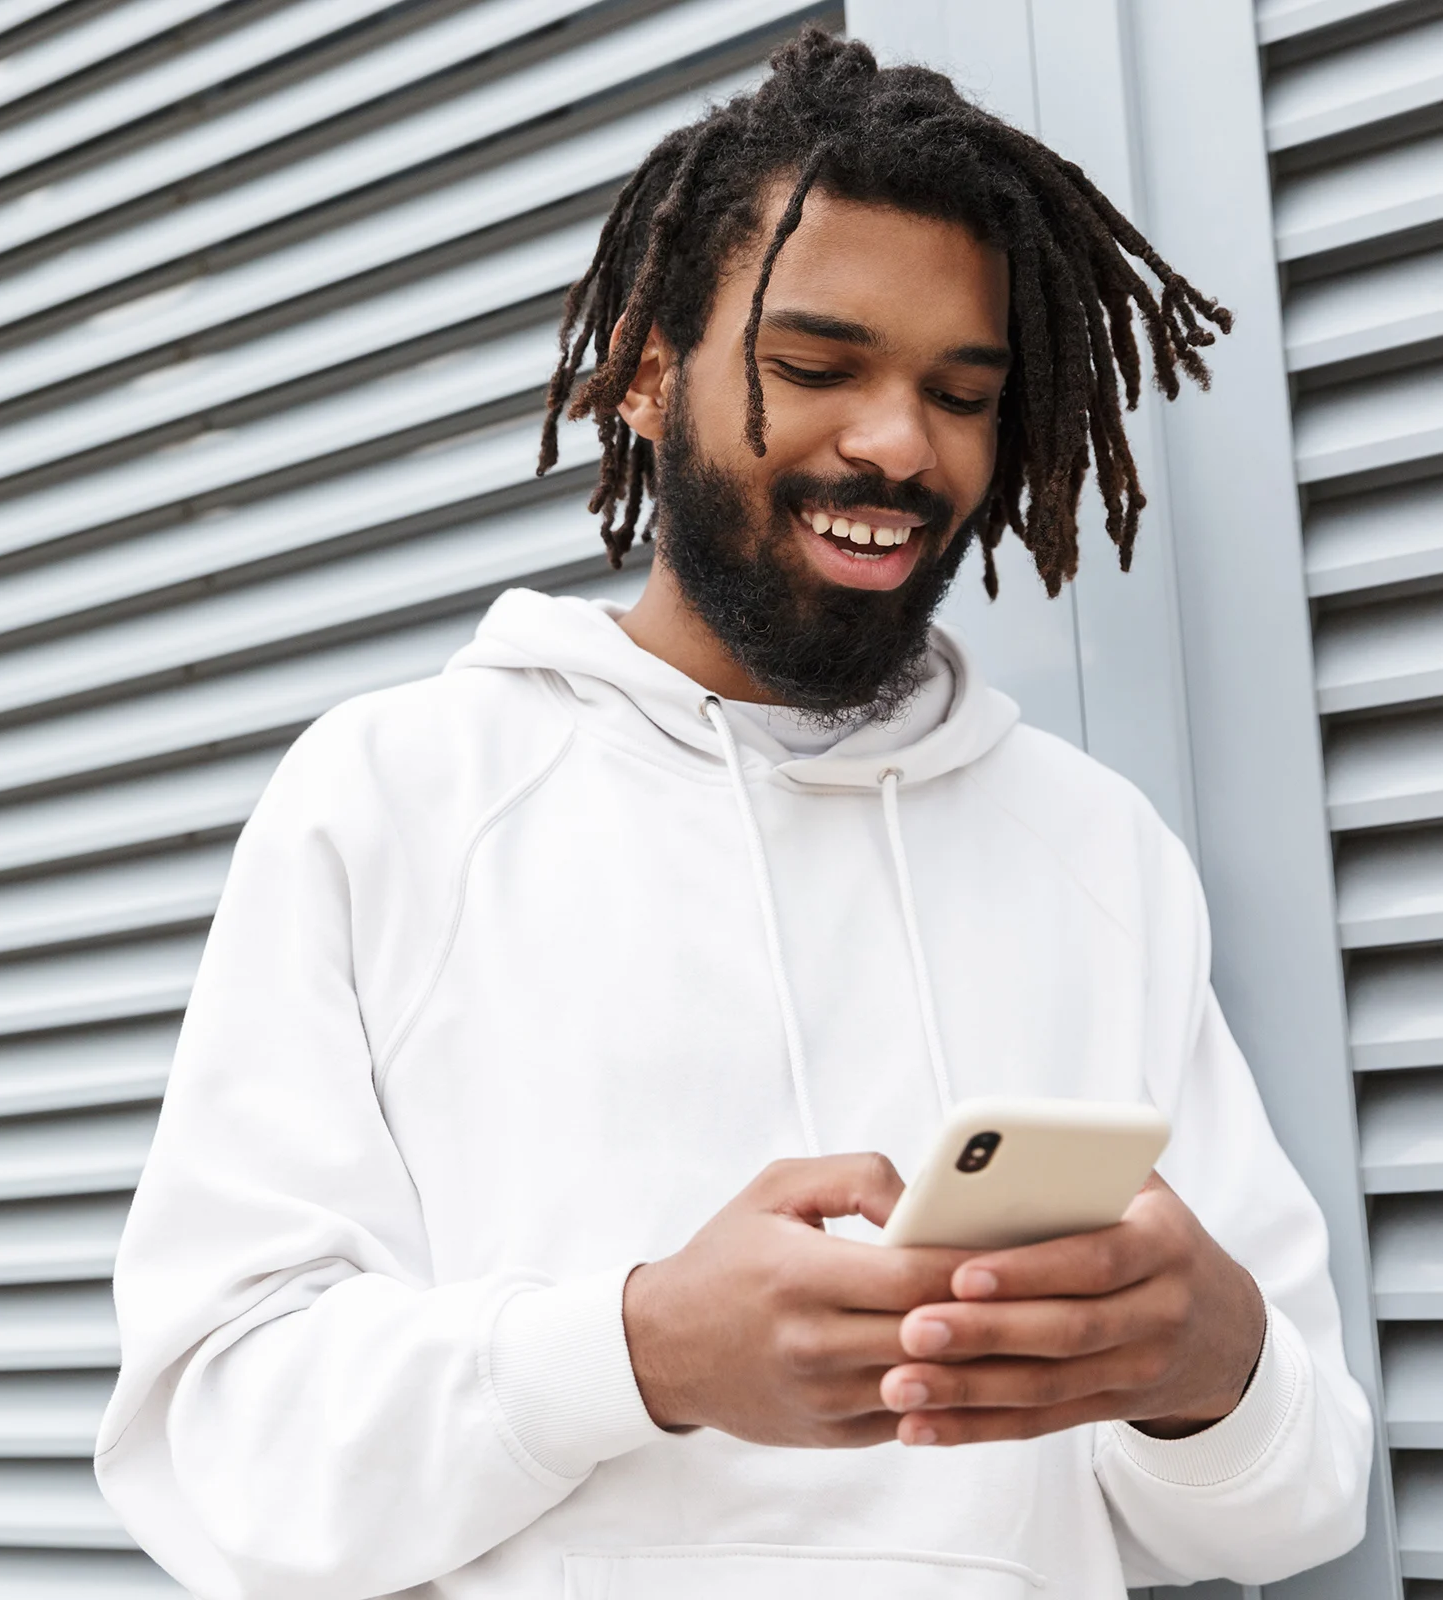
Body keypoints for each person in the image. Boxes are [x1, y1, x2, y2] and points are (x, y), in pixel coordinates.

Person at [97, 28, 1371, 1600]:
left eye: (959, 393)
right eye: (818, 366)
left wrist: (1215, 1368)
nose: (900, 444)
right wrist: (636, 1351)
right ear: (646, 370)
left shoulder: (1101, 855)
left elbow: (1294, 1505)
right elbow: (213, 1450)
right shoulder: (394, 799)